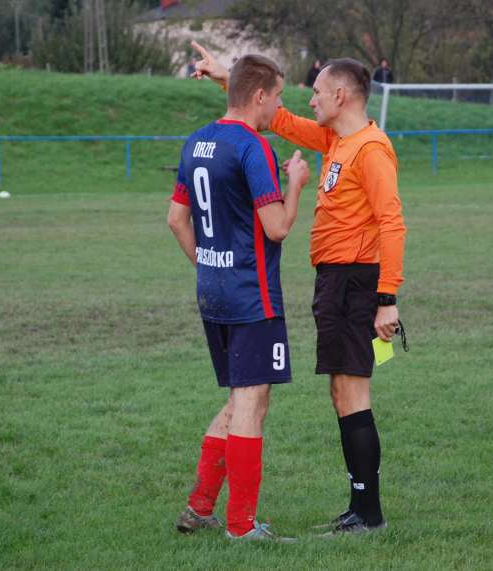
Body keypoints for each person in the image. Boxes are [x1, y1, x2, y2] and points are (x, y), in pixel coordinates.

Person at [191, 41, 406, 534]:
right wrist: (230, 78)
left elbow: (392, 224)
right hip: (334, 282)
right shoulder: (336, 142)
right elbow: (278, 119)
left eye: (316, 92)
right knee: (342, 392)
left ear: (340, 95)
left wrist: (386, 300)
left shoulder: (370, 149)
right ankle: (360, 509)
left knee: (352, 392)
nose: (310, 100)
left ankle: (368, 514)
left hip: (356, 281)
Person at [167, 54, 310, 541]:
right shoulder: (254, 148)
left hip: (214, 292)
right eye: (278, 97)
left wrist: (209, 265)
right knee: (251, 401)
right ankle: (241, 526)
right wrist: (296, 186)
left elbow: (175, 220)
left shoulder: (197, 141)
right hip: (253, 298)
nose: (279, 106)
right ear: (258, 96)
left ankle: (200, 506)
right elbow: (278, 228)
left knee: (238, 399)